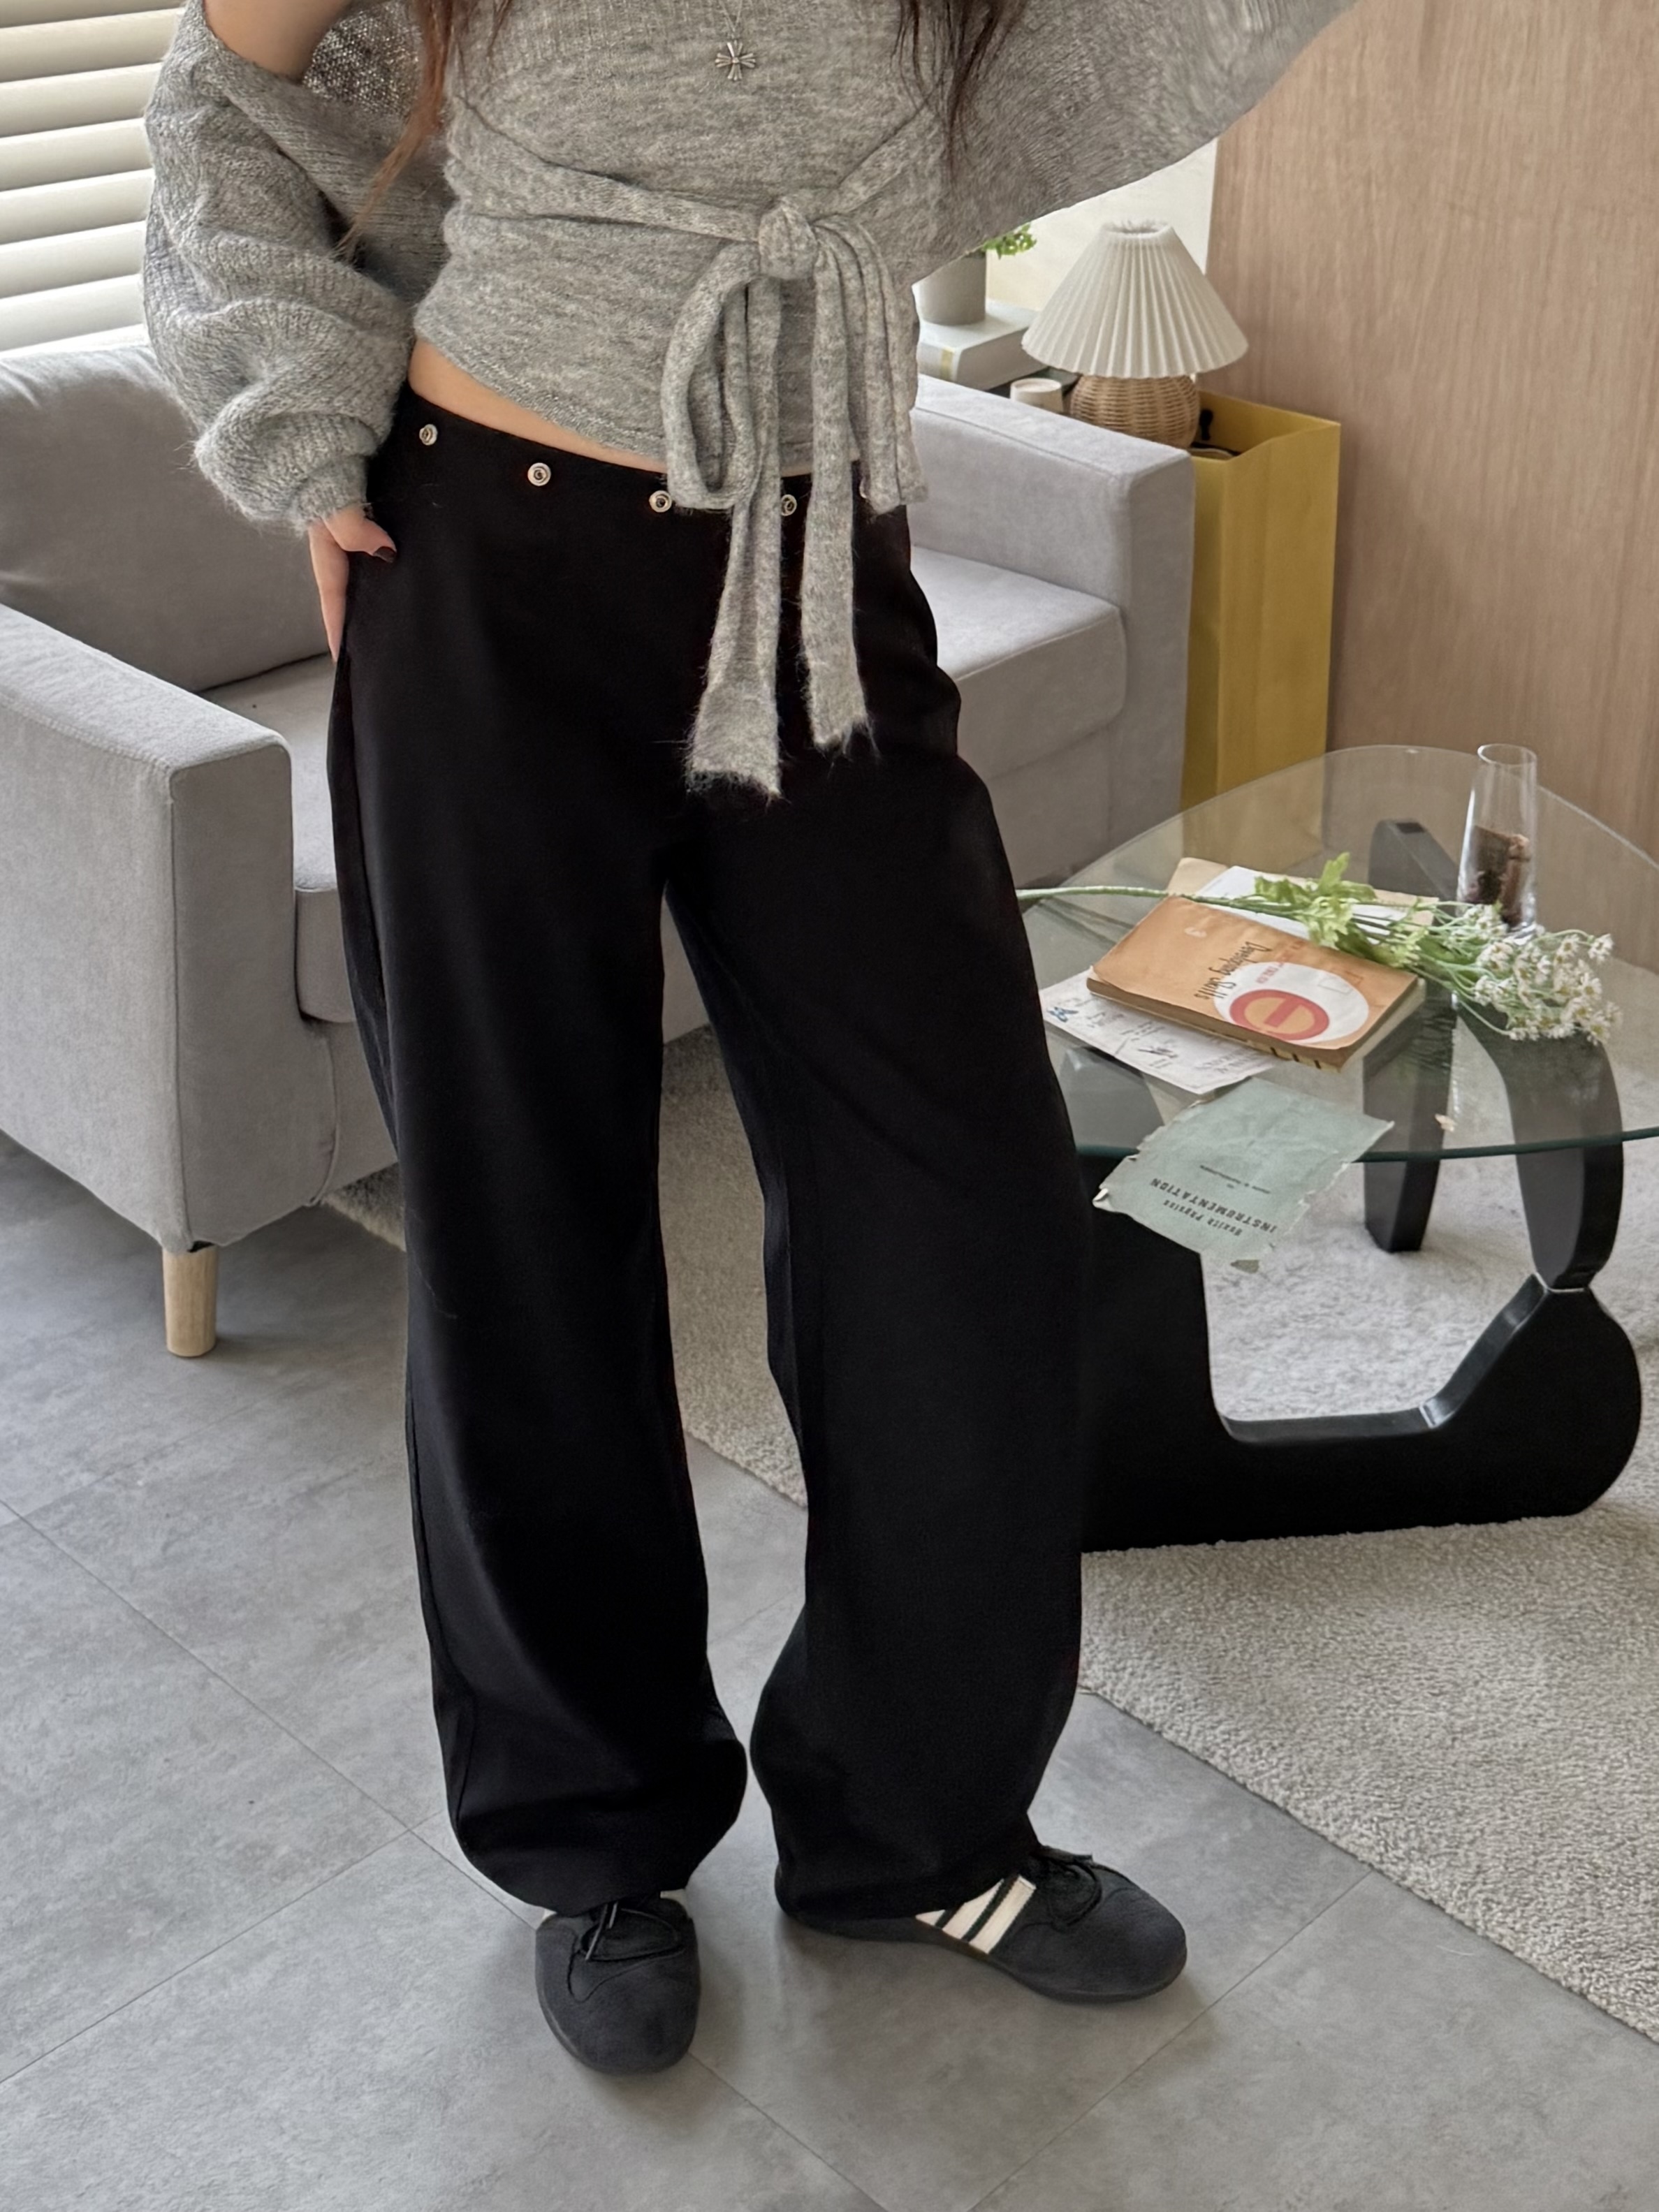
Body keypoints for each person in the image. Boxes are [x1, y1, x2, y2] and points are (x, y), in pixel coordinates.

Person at [142, 0, 1354, 2075]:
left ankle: (916, 1827)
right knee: (527, 1229)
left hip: (820, 566)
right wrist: (300, 412)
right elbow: (222, 87)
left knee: (965, 1216)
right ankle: (597, 1834)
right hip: (491, 563)